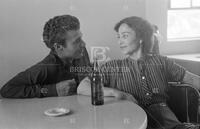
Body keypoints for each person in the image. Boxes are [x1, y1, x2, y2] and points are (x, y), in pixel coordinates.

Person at [77, 16, 200, 129]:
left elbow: (192, 79)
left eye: (125, 36)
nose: (120, 41)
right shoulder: (113, 66)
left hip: (171, 125)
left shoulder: (162, 62)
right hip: (133, 123)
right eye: (118, 37)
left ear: (141, 37)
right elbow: (82, 87)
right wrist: (116, 92)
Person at [0, 15, 90, 98]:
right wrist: (51, 90)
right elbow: (7, 90)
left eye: (81, 38)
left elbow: (87, 81)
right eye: (77, 41)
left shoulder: (80, 51)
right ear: (58, 47)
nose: (83, 44)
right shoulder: (46, 68)